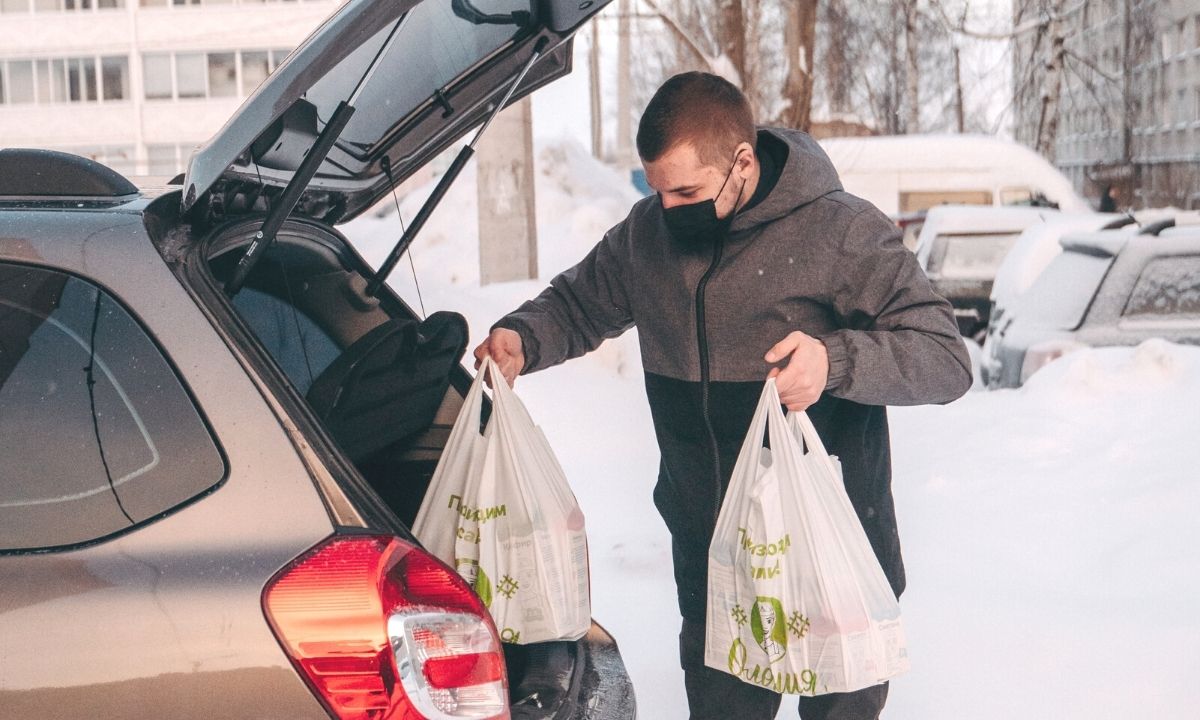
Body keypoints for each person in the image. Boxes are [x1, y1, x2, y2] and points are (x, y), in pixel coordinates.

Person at [474, 71, 971, 719]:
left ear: (742, 162)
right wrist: (523, 337)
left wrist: (836, 360)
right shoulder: (647, 234)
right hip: (716, 559)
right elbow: (578, 303)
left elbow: (945, 356)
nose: (670, 209)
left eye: (688, 190)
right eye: (657, 190)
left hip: (831, 557)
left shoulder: (840, 232)